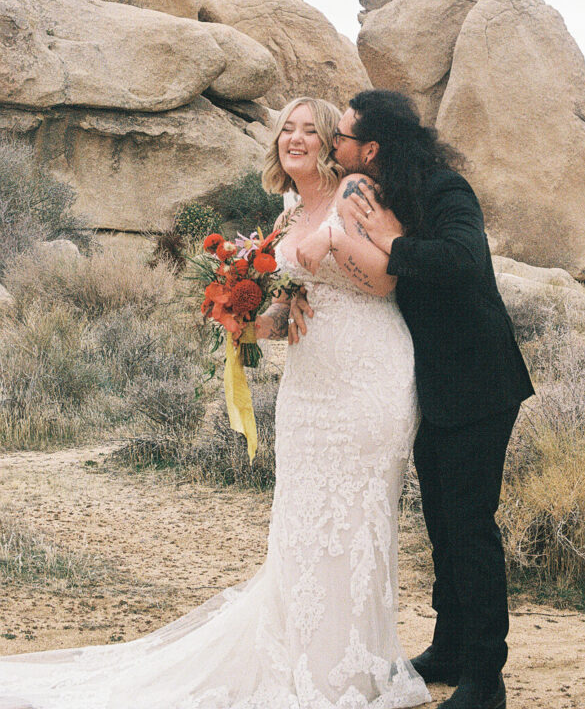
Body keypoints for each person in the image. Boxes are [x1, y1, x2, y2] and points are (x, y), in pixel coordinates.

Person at [0, 95, 430, 709]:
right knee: (305, 518)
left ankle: (353, 669)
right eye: (287, 128)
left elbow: (386, 278)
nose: (297, 138)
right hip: (310, 383)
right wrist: (249, 318)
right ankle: (308, 659)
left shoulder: (356, 191)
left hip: (369, 373)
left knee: (357, 518)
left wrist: (334, 239)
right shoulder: (283, 217)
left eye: (312, 130)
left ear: (334, 140)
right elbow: (288, 313)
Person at [289, 89, 534, 709]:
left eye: (341, 139)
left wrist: (394, 241)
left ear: (370, 148)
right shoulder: (378, 191)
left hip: (479, 384)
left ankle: (486, 676)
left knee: (470, 526)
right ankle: (449, 648)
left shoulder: (447, 190)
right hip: (426, 386)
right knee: (443, 525)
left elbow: (462, 259)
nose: (335, 147)